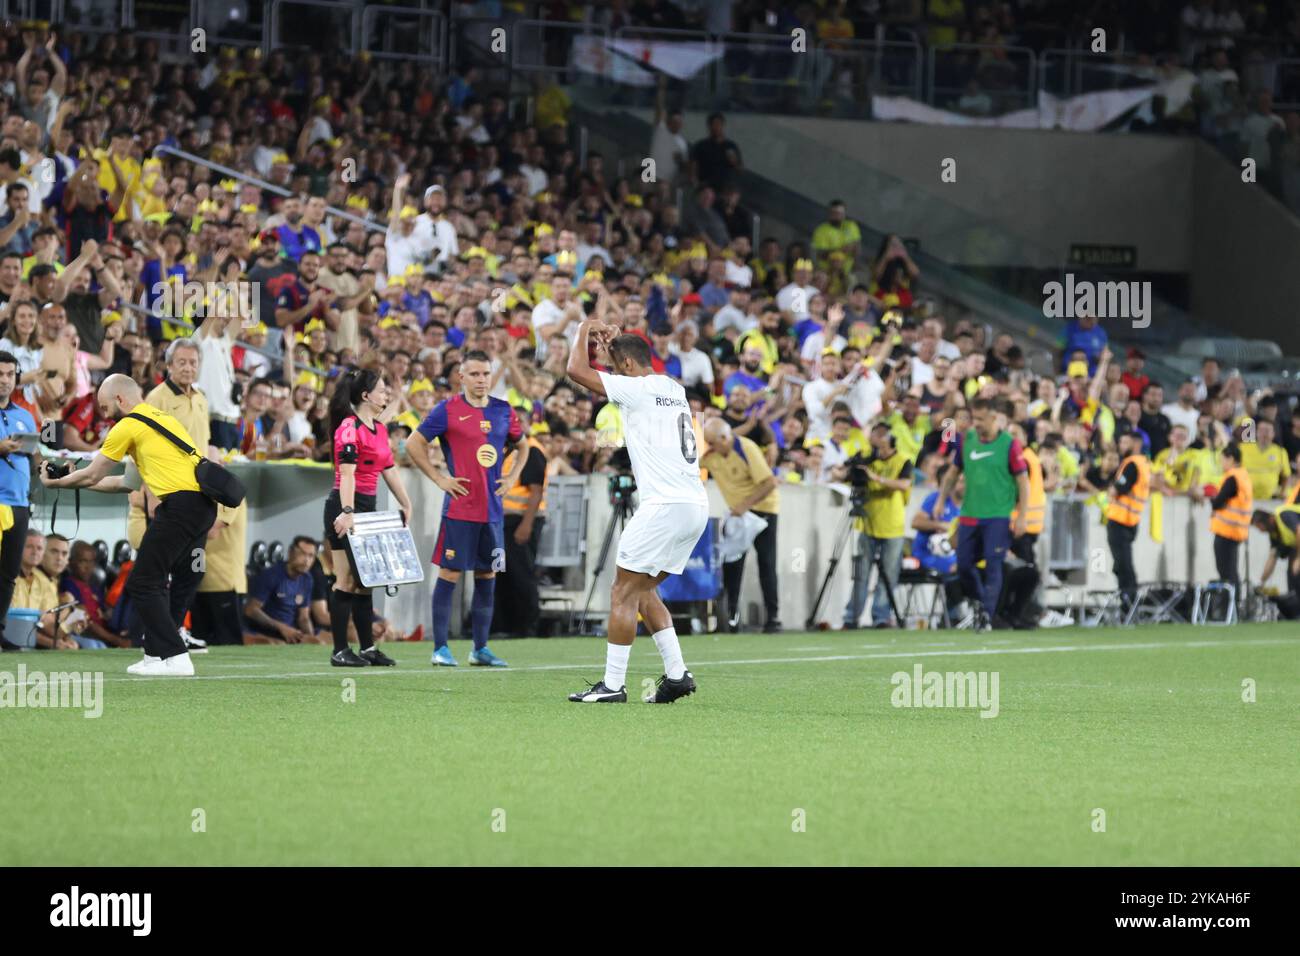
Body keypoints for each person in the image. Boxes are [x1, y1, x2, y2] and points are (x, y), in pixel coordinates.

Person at [564, 320, 709, 703]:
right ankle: (677, 675)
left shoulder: (637, 389)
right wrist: (616, 347)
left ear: (626, 365)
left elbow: (575, 371)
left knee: (622, 591)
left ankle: (613, 685)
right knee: (643, 588)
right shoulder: (672, 387)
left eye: (613, 367)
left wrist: (583, 330)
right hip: (694, 504)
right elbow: (634, 361)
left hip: (663, 506)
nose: (610, 375)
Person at [39, 374, 217, 676]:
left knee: (143, 581)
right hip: (201, 505)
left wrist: (57, 482)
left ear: (121, 400)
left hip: (181, 506)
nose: (104, 415)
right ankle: (157, 655)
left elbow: (93, 473)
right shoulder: (160, 420)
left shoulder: (128, 425)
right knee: (158, 580)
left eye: (105, 408)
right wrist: (75, 481)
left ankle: (176, 656)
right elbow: (126, 483)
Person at [406, 350, 528, 667]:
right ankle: (441, 648)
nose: (481, 380)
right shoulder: (448, 410)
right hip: (459, 509)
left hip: (492, 510)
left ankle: (480, 649)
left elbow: (523, 444)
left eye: (486, 374)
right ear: (461, 376)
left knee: (487, 576)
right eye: (474, 374)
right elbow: (413, 443)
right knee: (449, 574)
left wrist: (512, 476)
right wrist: (439, 478)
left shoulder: (503, 410)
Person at [322, 367, 412, 667]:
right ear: (365, 395)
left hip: (367, 509)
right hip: (344, 506)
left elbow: (388, 468)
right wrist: (347, 513)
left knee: (366, 581)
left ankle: (368, 648)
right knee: (345, 579)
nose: (386, 393)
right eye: (382, 389)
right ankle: (339, 650)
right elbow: (346, 473)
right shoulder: (349, 428)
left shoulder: (379, 428)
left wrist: (406, 502)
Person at [933, 397, 1031, 631]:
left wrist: (1022, 515)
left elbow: (1023, 482)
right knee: (964, 564)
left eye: (980, 418)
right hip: (969, 515)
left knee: (994, 564)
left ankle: (986, 615)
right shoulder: (967, 441)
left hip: (998, 515)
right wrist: (940, 500)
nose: (975, 423)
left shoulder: (1009, 444)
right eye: (973, 417)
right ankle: (980, 603)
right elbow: (952, 474)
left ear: (994, 417)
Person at [700, 417, 781, 633]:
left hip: (763, 510)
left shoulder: (747, 448)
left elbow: (770, 482)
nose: (709, 447)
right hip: (737, 513)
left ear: (725, 438)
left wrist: (745, 505)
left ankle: (773, 618)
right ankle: (731, 620)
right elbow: (690, 465)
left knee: (766, 563)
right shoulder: (711, 456)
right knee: (732, 565)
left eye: (712, 442)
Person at [843, 422, 912, 629]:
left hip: (893, 526)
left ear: (891, 441)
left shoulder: (903, 460)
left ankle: (881, 617)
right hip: (867, 524)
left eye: (883, 439)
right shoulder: (867, 459)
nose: (878, 445)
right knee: (861, 574)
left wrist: (876, 478)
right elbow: (847, 476)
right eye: (876, 439)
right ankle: (851, 617)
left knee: (889, 575)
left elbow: (903, 484)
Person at [496, 427, 549, 637]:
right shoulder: (506, 448)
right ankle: (503, 625)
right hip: (502, 522)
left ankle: (527, 626)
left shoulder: (532, 450)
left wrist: (526, 525)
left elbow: (536, 492)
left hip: (521, 521)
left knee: (521, 574)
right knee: (500, 574)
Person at [0, 349, 36, 650]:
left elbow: (35, 457)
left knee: (9, 572)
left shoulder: (25, 415)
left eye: (9, 375)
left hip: (19, 504)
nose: (4, 380)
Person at [244, 535, 327, 645]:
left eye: (311, 556)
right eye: (302, 554)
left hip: (291, 631)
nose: (307, 560)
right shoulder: (271, 575)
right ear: (290, 553)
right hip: (265, 630)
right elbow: (251, 610)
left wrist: (309, 638)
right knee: (277, 644)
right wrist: (281, 628)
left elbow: (303, 618)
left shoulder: (307, 579)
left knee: (318, 643)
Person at [1105, 430, 1151, 611]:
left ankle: (1129, 604)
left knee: (1123, 565)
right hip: (1131, 521)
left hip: (1120, 520)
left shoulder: (1132, 464)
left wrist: (1111, 491)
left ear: (1136, 444)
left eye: (1125, 442)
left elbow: (1119, 488)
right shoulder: (1143, 464)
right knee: (1123, 564)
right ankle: (1129, 602)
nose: (1121, 446)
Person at [1208, 444, 1252, 589]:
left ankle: (1231, 608)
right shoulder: (1243, 475)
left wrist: (1209, 495)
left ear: (1231, 459)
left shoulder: (1233, 477)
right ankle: (1234, 606)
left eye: (1223, 460)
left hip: (1226, 531)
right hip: (1236, 531)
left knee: (1227, 573)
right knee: (1231, 571)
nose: (1222, 464)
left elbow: (1218, 502)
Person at [1252, 504, 1300, 596]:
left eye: (1260, 527)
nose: (1261, 531)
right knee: (1293, 576)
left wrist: (1298, 559)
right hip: (1296, 548)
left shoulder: (1284, 515)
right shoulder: (1274, 534)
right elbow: (1272, 558)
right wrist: (1261, 582)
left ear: (1270, 519)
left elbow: (1299, 531)